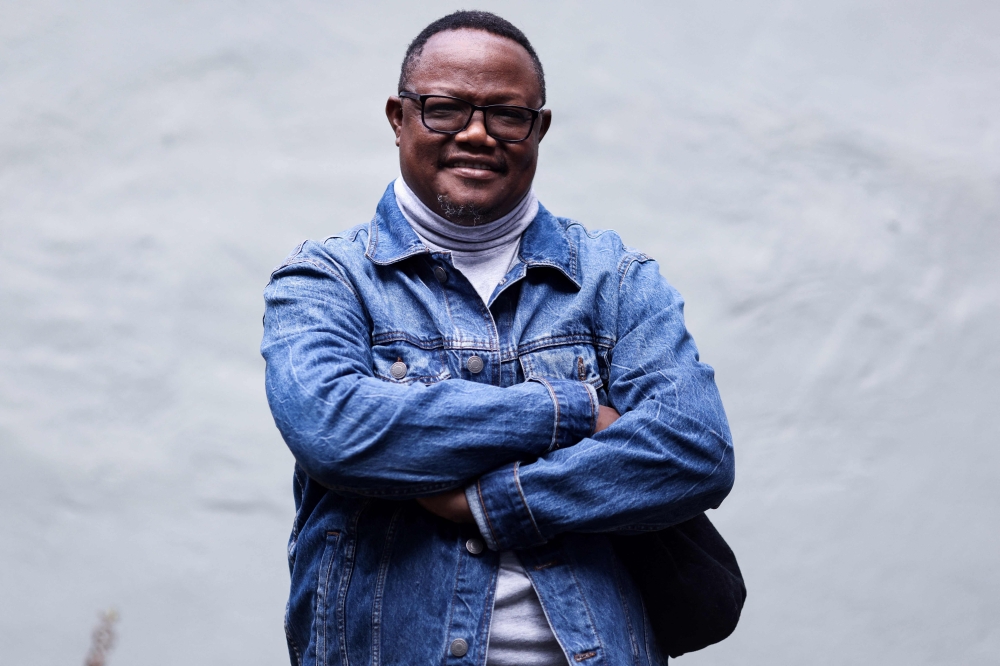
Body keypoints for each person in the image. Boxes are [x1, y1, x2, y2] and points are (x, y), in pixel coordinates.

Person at [261, 10, 734, 666]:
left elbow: (693, 449)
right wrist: (568, 412)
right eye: (445, 109)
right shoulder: (327, 280)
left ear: (539, 129)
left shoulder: (616, 280)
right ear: (398, 118)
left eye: (507, 115)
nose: (477, 134)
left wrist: (489, 504)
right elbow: (336, 431)